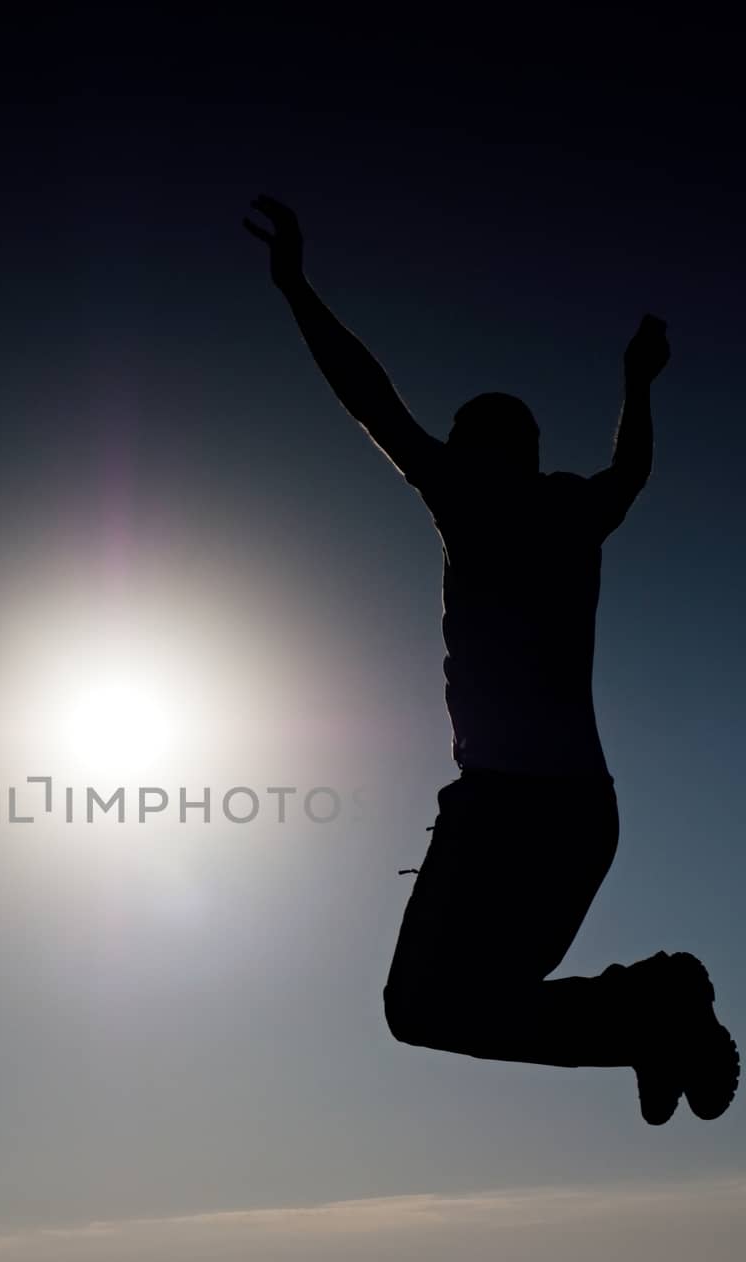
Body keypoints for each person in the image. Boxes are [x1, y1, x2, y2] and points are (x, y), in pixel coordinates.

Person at [243, 192, 737, 1124]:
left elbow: (369, 398)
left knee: (423, 1007)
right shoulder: (577, 515)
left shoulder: (469, 500)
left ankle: (652, 1003)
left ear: (479, 451)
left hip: (506, 814)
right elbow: (631, 471)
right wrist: (639, 381)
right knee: (468, 1000)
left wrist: (298, 290)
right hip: (584, 818)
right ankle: (653, 1013)